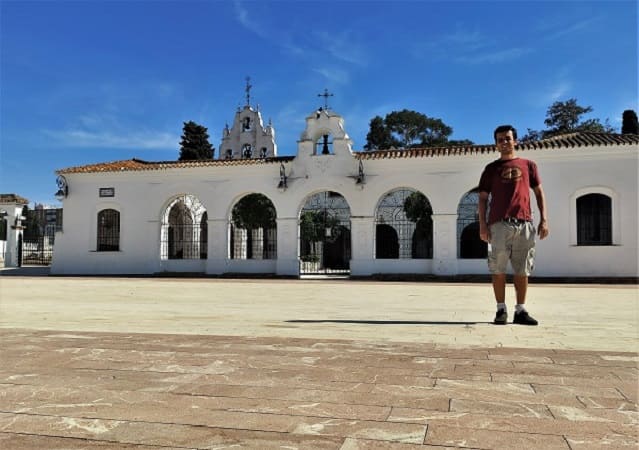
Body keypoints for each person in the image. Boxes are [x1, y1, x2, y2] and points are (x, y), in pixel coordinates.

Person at [478, 125, 549, 325]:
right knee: (497, 269)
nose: (504, 142)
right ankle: (501, 309)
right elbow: (483, 198)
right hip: (498, 226)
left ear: (515, 141)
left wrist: (544, 219)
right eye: (500, 139)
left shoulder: (529, 165)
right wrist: (483, 225)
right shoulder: (491, 169)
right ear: (496, 144)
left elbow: (539, 193)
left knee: (522, 269)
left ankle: (520, 310)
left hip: (525, 224)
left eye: (508, 138)